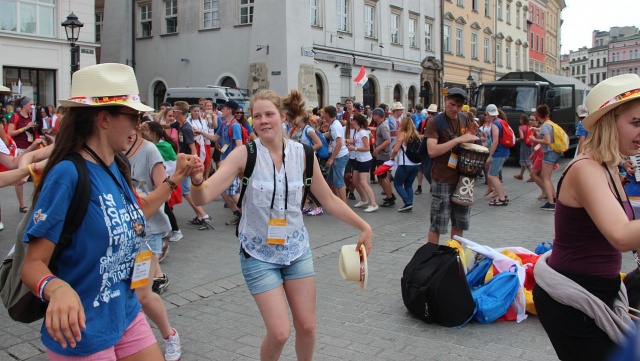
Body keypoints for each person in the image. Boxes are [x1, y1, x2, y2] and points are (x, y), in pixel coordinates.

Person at [20, 63, 197, 360]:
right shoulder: (67, 174)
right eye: (134, 116)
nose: (139, 125)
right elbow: (32, 264)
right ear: (103, 118)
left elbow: (139, 210)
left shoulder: (116, 165)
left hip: (125, 313)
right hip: (81, 328)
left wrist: (176, 178)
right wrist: (56, 289)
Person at [189, 89, 373, 360]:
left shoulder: (303, 154)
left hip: (297, 250)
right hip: (258, 254)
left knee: (307, 327)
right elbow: (204, 195)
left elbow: (329, 201)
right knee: (279, 333)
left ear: (282, 117)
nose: (263, 120)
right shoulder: (244, 155)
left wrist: (364, 226)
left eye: (269, 114)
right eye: (257, 116)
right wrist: (195, 180)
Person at [533, 73, 640, 361]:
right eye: (636, 122)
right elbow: (619, 234)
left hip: (598, 291)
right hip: (574, 299)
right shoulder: (586, 168)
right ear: (607, 121)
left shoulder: (609, 166)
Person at [125, 120, 181, 359]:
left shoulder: (148, 150)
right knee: (126, 292)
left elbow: (164, 188)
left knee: (141, 293)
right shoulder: (110, 148)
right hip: (121, 230)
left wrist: (138, 196)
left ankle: (169, 335)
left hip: (147, 231)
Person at [424, 88, 479, 244]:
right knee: (437, 224)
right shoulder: (435, 122)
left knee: (459, 222)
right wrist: (458, 140)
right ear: (446, 101)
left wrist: (470, 139)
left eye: (459, 106)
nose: (455, 109)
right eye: (452, 104)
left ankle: (455, 256)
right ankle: (432, 258)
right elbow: (432, 151)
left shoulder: (463, 118)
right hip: (442, 178)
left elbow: (466, 146)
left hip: (462, 178)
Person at [7, 96, 36, 213]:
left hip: (31, 148)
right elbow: (10, 132)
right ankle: (22, 204)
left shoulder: (31, 117)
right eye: (30, 104)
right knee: (20, 177)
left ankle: (36, 202)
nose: (32, 107)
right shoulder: (16, 116)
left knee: (35, 173)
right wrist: (25, 128)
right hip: (19, 149)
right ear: (24, 105)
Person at [529, 104, 559, 211]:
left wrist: (534, 140)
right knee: (546, 177)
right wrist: (536, 129)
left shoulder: (546, 125)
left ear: (538, 115)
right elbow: (544, 131)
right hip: (553, 152)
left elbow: (547, 140)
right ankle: (554, 198)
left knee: (545, 177)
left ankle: (551, 202)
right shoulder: (549, 123)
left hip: (549, 153)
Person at [346, 113, 378, 212]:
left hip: (365, 159)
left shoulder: (363, 132)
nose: (351, 120)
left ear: (356, 121)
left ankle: (373, 203)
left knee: (363, 182)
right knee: (355, 181)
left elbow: (367, 148)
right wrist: (348, 141)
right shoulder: (358, 131)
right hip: (358, 159)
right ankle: (363, 199)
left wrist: (353, 148)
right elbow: (357, 141)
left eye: (352, 119)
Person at [390, 116, 421, 212]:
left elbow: (395, 150)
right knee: (408, 185)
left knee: (397, 183)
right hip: (416, 164)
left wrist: (391, 157)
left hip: (405, 164)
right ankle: (409, 204)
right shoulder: (416, 135)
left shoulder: (403, 135)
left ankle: (407, 202)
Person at [323, 105, 350, 202]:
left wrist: (331, 159)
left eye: (324, 113)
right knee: (330, 181)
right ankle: (338, 200)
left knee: (338, 181)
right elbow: (331, 136)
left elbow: (339, 143)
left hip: (340, 156)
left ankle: (344, 205)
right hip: (336, 156)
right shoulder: (333, 124)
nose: (322, 114)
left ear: (327, 114)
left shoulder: (335, 126)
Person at [485, 104, 510, 206]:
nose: (485, 116)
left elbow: (495, 142)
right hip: (504, 152)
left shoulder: (495, 124)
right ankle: (503, 195)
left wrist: (490, 156)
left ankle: (502, 198)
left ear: (488, 114)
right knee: (494, 175)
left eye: (486, 114)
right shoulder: (500, 121)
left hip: (499, 153)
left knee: (492, 175)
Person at [371, 108, 396, 207]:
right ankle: (390, 195)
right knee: (382, 176)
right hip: (382, 155)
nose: (372, 116)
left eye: (373, 115)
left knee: (382, 176)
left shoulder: (383, 126)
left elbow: (387, 140)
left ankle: (390, 197)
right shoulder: (381, 125)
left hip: (383, 155)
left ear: (378, 115)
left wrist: (377, 149)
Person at [514, 113, 533, 181]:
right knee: (525, 160)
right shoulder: (529, 127)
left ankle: (532, 175)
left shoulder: (521, 127)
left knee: (526, 160)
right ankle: (521, 175)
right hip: (530, 144)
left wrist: (517, 139)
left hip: (524, 144)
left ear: (522, 120)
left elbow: (522, 137)